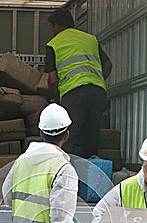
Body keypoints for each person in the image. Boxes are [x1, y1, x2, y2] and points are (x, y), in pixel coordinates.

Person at [2, 103, 83, 223]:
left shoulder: (21, 161)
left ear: (40, 133)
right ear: (67, 135)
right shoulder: (63, 168)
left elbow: (7, 195)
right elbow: (60, 216)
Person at [45, 7, 112, 158]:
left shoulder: (54, 44)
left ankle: (67, 174)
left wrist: (53, 100)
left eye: (52, 26)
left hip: (74, 93)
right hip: (98, 93)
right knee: (91, 138)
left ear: (56, 25)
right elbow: (108, 65)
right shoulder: (91, 39)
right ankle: (91, 174)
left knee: (68, 137)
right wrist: (97, 80)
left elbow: (52, 80)